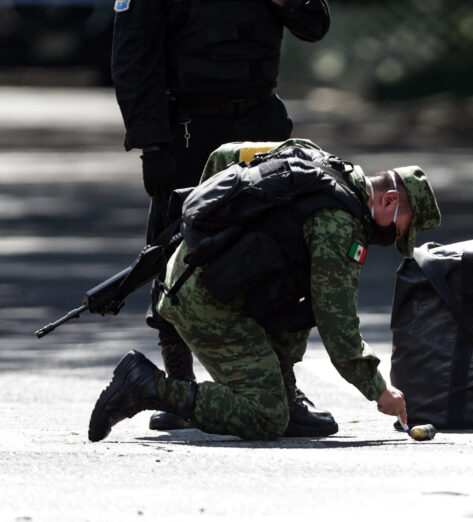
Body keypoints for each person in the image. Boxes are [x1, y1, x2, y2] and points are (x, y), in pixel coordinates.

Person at [87, 141, 441, 441]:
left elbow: (226, 155)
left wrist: (210, 233)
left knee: (302, 292)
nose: (392, 239)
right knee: (267, 416)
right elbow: (339, 328)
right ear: (390, 200)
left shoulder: (311, 156)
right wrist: (380, 390)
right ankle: (147, 386)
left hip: (190, 271)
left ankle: (286, 393)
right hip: (208, 304)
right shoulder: (340, 227)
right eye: (401, 231)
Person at [110, 0, 331, 432]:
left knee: (281, 254)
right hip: (190, 130)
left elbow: (315, 24)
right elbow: (134, 58)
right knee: (174, 255)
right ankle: (178, 386)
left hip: (259, 124)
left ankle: (285, 389)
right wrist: (152, 143)